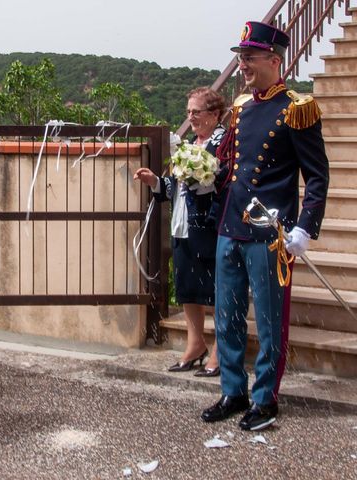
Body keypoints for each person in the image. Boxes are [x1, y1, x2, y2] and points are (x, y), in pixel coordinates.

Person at [201, 21, 329, 431]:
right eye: (240, 59)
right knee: (227, 314)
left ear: (275, 61)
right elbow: (229, 166)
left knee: (270, 319)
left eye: (250, 58)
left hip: (270, 234)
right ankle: (233, 390)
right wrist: (205, 174)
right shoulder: (239, 107)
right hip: (230, 226)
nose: (243, 67)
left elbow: (317, 177)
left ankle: (265, 398)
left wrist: (304, 228)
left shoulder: (297, 108)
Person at [134, 87, 226, 377]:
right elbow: (177, 188)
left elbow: (228, 182)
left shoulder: (223, 144)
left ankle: (220, 350)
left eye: (196, 112)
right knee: (188, 290)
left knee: (216, 291)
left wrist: (209, 180)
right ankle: (195, 344)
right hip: (183, 226)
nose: (191, 117)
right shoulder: (188, 145)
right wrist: (155, 182)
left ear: (214, 114)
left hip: (209, 226)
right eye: (188, 112)